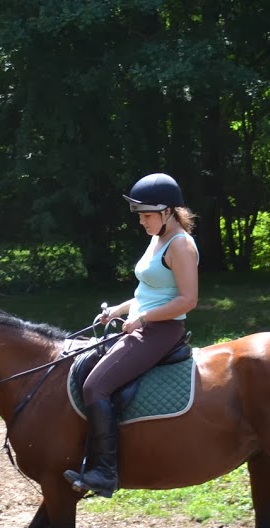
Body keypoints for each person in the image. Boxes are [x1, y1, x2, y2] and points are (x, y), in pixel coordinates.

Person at [64, 172, 199, 497]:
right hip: (145, 324)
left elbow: (188, 300)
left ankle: (105, 472)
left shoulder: (180, 245)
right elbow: (148, 290)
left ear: (167, 211)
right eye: (140, 216)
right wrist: (119, 311)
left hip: (162, 330)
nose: (141, 221)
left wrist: (142, 320)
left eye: (146, 215)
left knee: (96, 385)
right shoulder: (158, 238)